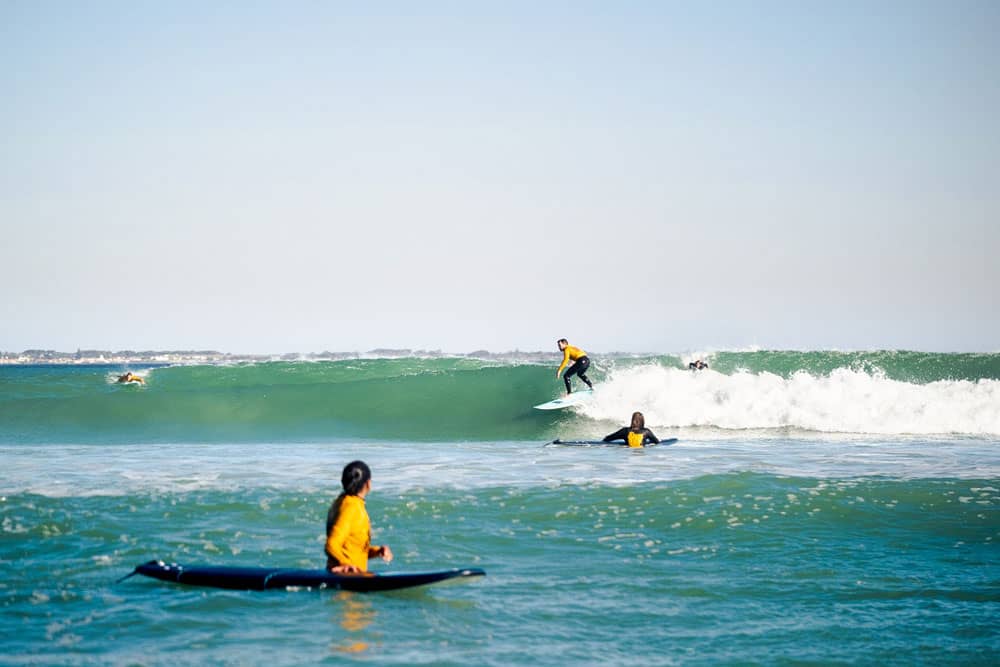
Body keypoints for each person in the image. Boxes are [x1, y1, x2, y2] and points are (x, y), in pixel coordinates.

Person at [325, 460, 393, 574]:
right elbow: (331, 544)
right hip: (346, 578)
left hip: (352, 577)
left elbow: (352, 549)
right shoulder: (351, 507)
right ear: (368, 484)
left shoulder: (343, 502)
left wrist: (377, 551)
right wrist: (345, 564)